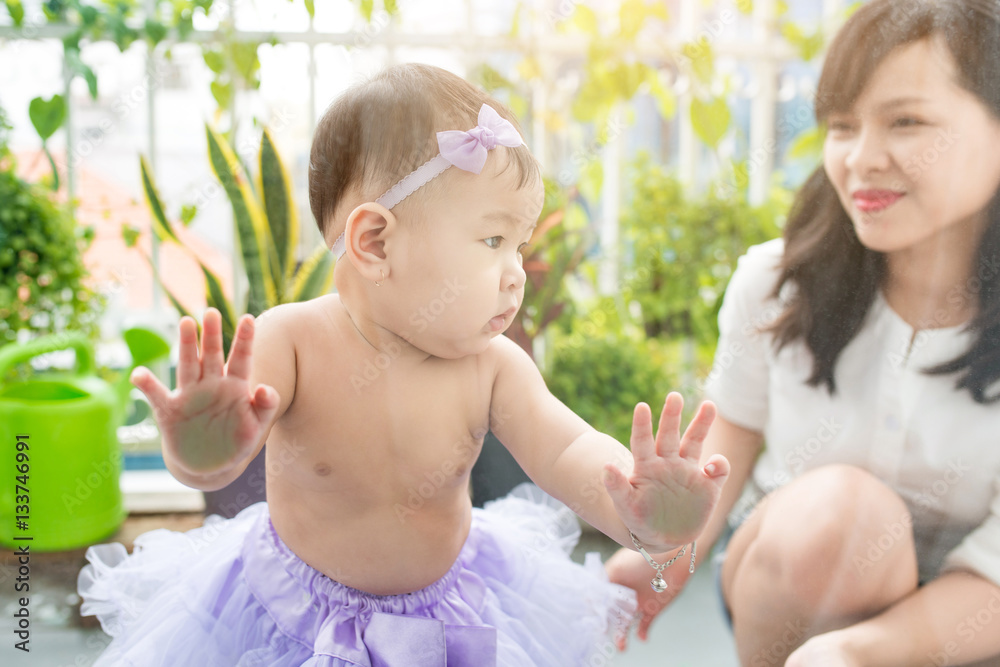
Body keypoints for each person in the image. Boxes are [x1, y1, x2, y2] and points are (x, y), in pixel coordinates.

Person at [76, 63, 731, 666]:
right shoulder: (294, 340)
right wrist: (200, 450)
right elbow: (214, 464)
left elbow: (570, 452)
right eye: (494, 240)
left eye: (520, 244)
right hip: (289, 620)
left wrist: (641, 513)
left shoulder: (492, 365)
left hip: (450, 616)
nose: (517, 275)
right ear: (376, 241)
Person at [608, 1, 1000, 665]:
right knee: (843, 517)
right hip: (795, 588)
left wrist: (856, 652)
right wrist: (665, 553)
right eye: (842, 126)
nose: (861, 158)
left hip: (976, 617)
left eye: (906, 121)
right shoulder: (775, 281)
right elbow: (732, 431)